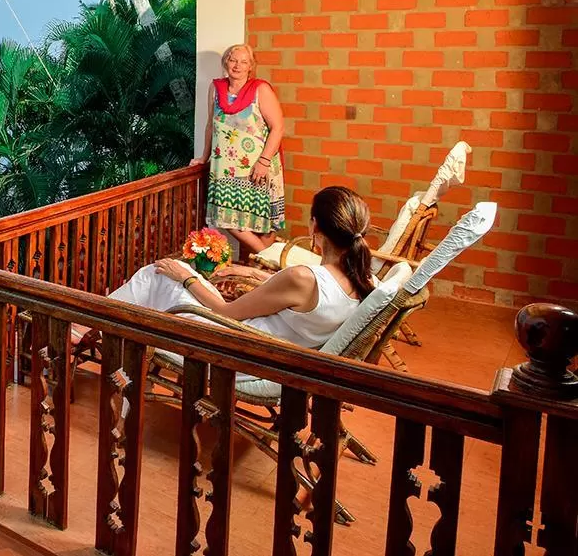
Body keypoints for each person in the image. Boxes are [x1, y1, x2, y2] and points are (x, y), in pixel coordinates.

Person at [88, 186, 375, 351]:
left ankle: (90, 325)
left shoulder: (303, 278)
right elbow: (301, 298)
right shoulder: (364, 279)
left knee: (159, 272)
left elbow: (225, 312)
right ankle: (99, 330)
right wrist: (252, 272)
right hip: (267, 346)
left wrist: (186, 278)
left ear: (315, 227)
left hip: (235, 344)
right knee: (170, 275)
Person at [195, 43, 286, 257]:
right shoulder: (216, 89)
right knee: (226, 219)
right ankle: (272, 262)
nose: (237, 66)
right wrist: (203, 157)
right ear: (225, 62)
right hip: (224, 172)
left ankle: (264, 265)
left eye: (244, 62)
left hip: (258, 169)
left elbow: (278, 127)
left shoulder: (260, 89)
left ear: (250, 66)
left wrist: (263, 162)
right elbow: (211, 126)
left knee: (263, 225)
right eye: (233, 60)